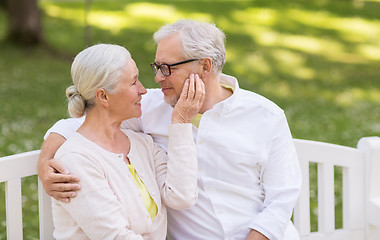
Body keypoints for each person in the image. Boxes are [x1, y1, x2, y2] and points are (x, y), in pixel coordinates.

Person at [38, 20, 302, 240]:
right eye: (156, 66)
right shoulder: (147, 106)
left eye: (167, 68)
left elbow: (281, 200)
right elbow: (85, 122)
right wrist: (46, 162)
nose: (157, 78)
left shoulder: (266, 116)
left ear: (205, 66)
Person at [47, 43, 205, 239]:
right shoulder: (76, 160)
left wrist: (181, 123)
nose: (143, 90)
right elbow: (115, 236)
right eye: (133, 82)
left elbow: (182, 197)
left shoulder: (142, 144)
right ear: (103, 96)